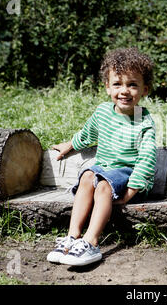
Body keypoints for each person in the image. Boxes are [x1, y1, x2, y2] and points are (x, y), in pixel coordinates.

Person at [46, 47, 157, 266]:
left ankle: (91, 242)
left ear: (145, 89)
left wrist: (131, 192)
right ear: (107, 87)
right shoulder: (103, 112)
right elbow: (87, 134)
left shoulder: (144, 122)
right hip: (104, 170)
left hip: (128, 176)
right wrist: (70, 145)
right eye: (117, 84)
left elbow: (147, 159)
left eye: (132, 85)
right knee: (88, 175)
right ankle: (72, 237)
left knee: (104, 184)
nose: (124, 91)